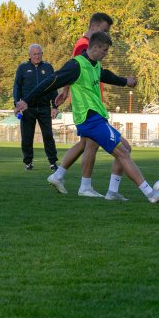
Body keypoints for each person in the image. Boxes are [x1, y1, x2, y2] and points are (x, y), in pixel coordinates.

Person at [14, 31, 159, 203]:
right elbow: (51, 81)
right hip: (89, 118)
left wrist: (125, 81)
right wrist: (27, 100)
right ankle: (150, 194)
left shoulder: (95, 65)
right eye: (104, 50)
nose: (106, 54)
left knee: (125, 148)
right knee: (122, 152)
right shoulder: (76, 65)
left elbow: (106, 75)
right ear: (95, 47)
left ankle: (110, 192)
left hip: (97, 117)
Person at [52, 12, 114, 197]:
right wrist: (65, 91)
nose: (107, 35)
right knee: (92, 143)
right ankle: (85, 187)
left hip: (91, 101)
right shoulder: (83, 45)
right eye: (104, 30)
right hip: (87, 104)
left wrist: (65, 91)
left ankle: (58, 175)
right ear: (94, 27)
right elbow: (73, 69)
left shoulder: (87, 44)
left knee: (85, 143)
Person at [13, 44, 59, 171]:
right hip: (28, 109)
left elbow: (53, 87)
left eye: (39, 53)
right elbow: (17, 87)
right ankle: (28, 162)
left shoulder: (48, 68)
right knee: (27, 137)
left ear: (42, 54)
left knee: (48, 136)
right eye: (34, 54)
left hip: (44, 108)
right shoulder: (22, 68)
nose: (37, 56)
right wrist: (17, 104)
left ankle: (53, 162)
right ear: (29, 55)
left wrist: (55, 106)